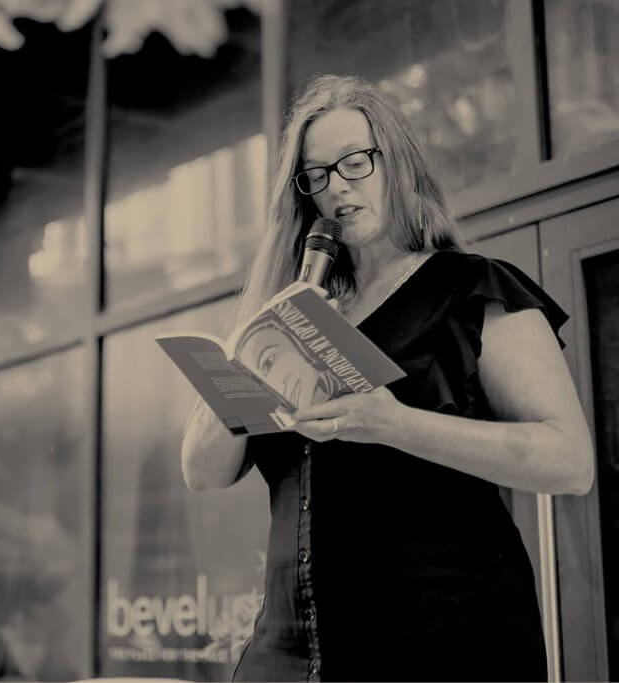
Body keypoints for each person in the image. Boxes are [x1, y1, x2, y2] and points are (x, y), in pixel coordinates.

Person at [181, 74, 594, 682]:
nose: (337, 189)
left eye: (354, 163)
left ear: (396, 161)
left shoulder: (470, 290)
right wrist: (253, 342)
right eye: (316, 176)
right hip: (292, 653)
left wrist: (395, 424)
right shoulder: (293, 307)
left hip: (440, 640)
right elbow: (201, 470)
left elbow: (570, 461)